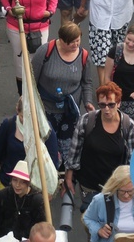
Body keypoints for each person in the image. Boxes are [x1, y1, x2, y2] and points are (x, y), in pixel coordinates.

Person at [65, 82, 134, 212]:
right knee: (91, 221)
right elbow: (74, 152)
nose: (106, 109)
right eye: (102, 105)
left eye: (111, 105)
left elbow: (133, 161)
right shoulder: (87, 121)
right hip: (89, 185)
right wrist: (68, 179)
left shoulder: (129, 126)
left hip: (116, 186)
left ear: (119, 103)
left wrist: (131, 185)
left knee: (112, 223)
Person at [32, 23, 95, 162]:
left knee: (68, 147)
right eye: (71, 42)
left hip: (70, 111)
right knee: (47, 146)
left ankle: (66, 175)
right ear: (61, 40)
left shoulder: (83, 56)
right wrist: (28, 103)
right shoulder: (45, 51)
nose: (75, 44)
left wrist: (88, 102)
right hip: (46, 108)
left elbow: (87, 83)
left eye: (78, 40)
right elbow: (31, 79)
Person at [0, 0, 58, 89]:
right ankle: (23, 98)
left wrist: (50, 11)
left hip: (41, 26)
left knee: (39, 60)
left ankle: (38, 96)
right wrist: (9, 9)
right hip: (16, 26)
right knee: (21, 63)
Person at [0, 97, 60, 190]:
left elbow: (53, 161)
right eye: (23, 116)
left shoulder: (46, 130)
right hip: (8, 183)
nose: (27, 121)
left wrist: (49, 189)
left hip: (34, 187)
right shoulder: (9, 125)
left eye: (31, 117)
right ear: (17, 110)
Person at [83, 165, 134, 242]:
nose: (126, 195)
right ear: (114, 187)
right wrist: (98, 230)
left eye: (130, 191)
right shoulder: (100, 200)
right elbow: (87, 218)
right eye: (122, 191)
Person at [101, 22, 134, 131]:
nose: (130, 44)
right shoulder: (116, 50)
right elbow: (107, 76)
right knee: (115, 130)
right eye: (128, 39)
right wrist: (112, 93)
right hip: (116, 100)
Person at [0, 160, 46, 239]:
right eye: (15, 180)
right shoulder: (3, 195)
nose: (17, 185)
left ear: (28, 183)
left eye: (22, 182)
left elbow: (41, 228)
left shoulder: (37, 200)